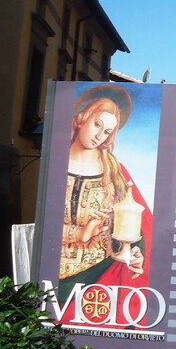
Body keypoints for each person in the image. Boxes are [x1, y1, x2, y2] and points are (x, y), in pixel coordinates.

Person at [58, 84, 153, 305]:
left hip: (102, 272)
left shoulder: (113, 170)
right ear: (82, 118)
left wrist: (135, 253)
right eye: (97, 124)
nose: (100, 135)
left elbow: (134, 223)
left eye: (108, 131)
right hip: (57, 275)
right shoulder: (57, 165)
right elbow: (47, 222)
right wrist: (80, 233)